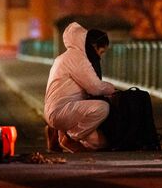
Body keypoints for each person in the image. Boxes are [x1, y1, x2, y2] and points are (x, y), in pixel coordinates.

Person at [44, 22, 115, 152]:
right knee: (102, 108)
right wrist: (112, 89)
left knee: (100, 142)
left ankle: (60, 134)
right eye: (101, 51)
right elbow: (95, 88)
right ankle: (70, 137)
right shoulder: (78, 58)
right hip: (62, 112)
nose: (100, 56)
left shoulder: (64, 57)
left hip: (57, 110)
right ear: (94, 46)